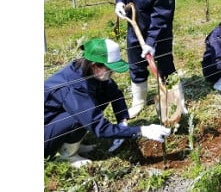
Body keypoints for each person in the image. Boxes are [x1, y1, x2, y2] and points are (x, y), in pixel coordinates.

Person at [44, 38, 172, 168]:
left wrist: (122, 121)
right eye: (109, 69)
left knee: (100, 97)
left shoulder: (88, 71)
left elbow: (115, 93)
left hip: (54, 120)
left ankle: (70, 143)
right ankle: (67, 155)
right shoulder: (73, 88)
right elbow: (100, 128)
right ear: (95, 65)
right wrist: (140, 130)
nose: (112, 73)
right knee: (78, 116)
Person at [114, 0, 179, 118]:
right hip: (134, 22)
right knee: (135, 62)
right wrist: (119, 1)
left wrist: (151, 41)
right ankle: (139, 101)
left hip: (160, 29)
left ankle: (176, 99)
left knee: (165, 62)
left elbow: (161, 14)